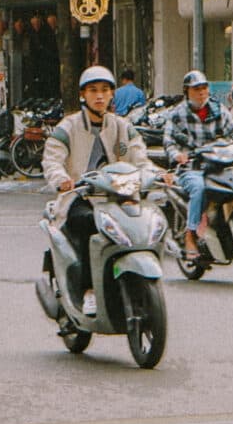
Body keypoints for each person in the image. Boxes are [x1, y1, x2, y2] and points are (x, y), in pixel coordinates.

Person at [43, 65, 152, 314]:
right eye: (93, 91)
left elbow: (140, 156)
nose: (99, 96)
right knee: (88, 225)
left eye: (105, 90)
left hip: (118, 195)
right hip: (79, 197)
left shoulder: (122, 126)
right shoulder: (67, 127)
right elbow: (52, 159)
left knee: (143, 222)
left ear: (112, 94)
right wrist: (61, 179)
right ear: (83, 95)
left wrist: (153, 175)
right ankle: (89, 290)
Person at [162, 70, 233, 262]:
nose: (201, 92)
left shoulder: (219, 109)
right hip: (191, 166)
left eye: (204, 88)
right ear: (186, 91)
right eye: (196, 89)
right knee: (198, 189)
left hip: (218, 163)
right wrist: (177, 155)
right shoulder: (177, 114)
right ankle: (190, 235)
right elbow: (168, 142)